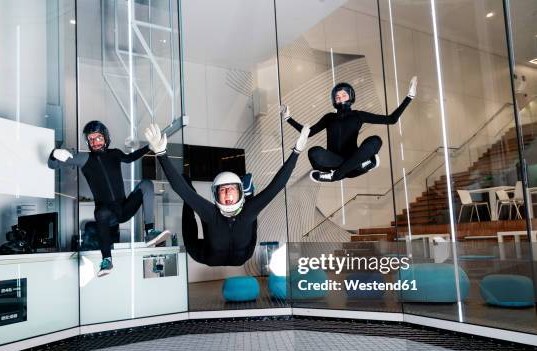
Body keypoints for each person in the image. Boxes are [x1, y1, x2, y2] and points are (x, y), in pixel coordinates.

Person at [143, 123, 309, 267]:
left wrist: (296, 151)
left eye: (232, 189)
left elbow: (276, 186)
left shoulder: (247, 212)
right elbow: (180, 190)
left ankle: (249, 194)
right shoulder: (211, 213)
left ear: (239, 193)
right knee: (189, 200)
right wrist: (161, 154)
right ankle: (244, 192)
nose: (228, 192)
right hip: (206, 255)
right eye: (223, 190)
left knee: (252, 211)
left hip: (242, 255)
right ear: (216, 195)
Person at [48, 120, 169, 276]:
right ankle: (107, 260)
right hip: (107, 215)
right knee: (99, 213)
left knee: (146, 184)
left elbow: (130, 158)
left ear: (105, 137)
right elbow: (52, 165)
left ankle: (150, 231)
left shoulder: (115, 153)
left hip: (124, 208)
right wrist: (54, 154)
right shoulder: (84, 159)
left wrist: (149, 147)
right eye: (90, 139)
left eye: (97, 137)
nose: (94, 142)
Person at [282, 76, 417, 182]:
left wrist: (409, 97)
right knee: (313, 152)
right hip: (337, 163)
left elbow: (391, 119)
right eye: (337, 97)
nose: (340, 99)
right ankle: (360, 166)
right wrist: (288, 118)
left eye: (344, 96)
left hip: (354, 159)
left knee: (376, 140)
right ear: (334, 100)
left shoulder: (358, 115)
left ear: (351, 96)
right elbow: (307, 133)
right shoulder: (329, 117)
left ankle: (335, 176)